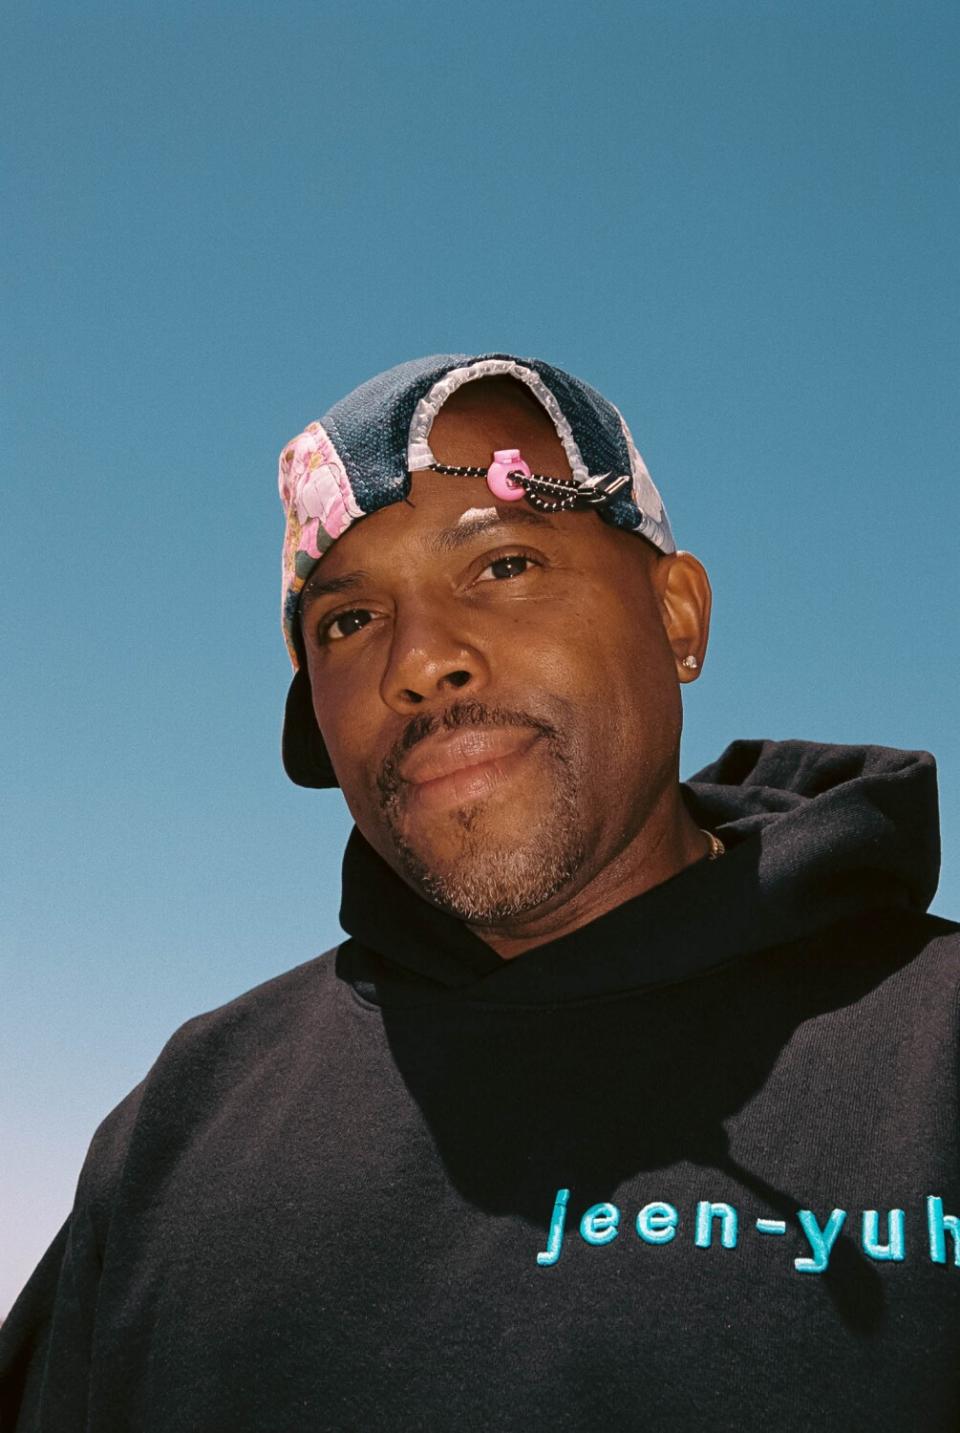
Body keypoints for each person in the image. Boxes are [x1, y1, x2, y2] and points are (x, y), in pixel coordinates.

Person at [2, 352, 958, 1432]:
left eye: (502, 564)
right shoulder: (181, 1125)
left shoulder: (939, 1059)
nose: (421, 660)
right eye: (348, 621)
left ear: (678, 615)